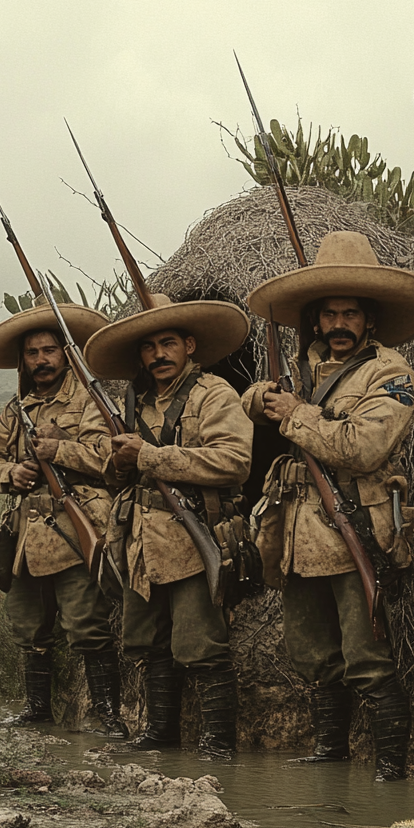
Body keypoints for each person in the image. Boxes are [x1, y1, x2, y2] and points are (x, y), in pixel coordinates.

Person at [241, 230, 414, 781]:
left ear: (369, 319)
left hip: (356, 529)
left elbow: (361, 448)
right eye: (328, 314)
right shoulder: (301, 370)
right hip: (299, 533)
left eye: (351, 312)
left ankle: (390, 772)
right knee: (312, 655)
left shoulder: (391, 375)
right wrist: (264, 399)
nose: (339, 324)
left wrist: (294, 414)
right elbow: (253, 401)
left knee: (368, 659)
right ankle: (331, 751)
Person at [83, 296, 253, 759]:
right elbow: (115, 473)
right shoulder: (133, 401)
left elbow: (234, 461)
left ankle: (218, 746)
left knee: (201, 646)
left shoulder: (214, 394)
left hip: (193, 537)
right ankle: (161, 734)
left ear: (189, 345)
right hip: (140, 541)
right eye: (150, 346)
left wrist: (150, 455)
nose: (158, 354)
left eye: (168, 343)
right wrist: (118, 461)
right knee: (149, 643)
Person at [0, 302, 127, 737]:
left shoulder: (92, 401)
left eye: (49, 350)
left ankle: (107, 715)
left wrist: (61, 449)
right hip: (26, 535)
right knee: (27, 626)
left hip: (77, 529)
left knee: (86, 626)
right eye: (32, 353)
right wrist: (12, 473)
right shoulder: (15, 408)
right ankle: (37, 710)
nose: (41, 360)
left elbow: (112, 462)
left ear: (65, 353)